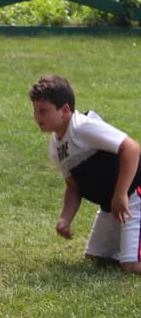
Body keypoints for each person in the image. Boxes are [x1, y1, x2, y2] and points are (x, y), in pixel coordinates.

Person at [29, 75, 141, 274]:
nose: (37, 116)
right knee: (95, 258)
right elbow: (73, 187)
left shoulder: (81, 127)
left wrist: (121, 193)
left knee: (132, 266)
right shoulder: (56, 145)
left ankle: (131, 254)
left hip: (134, 194)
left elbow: (131, 148)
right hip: (111, 205)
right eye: (35, 110)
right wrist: (65, 219)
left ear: (64, 110)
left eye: (43, 111)